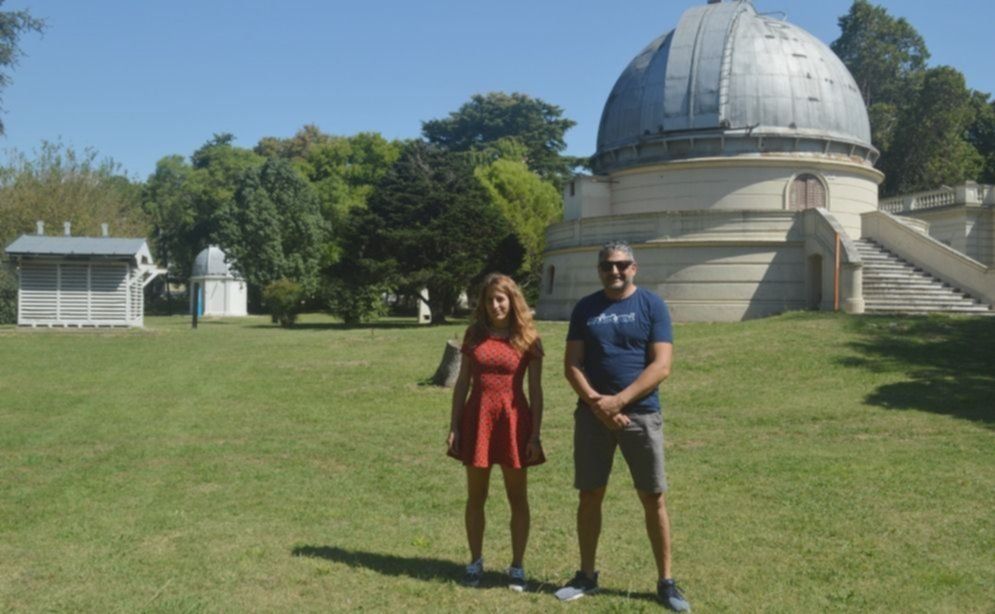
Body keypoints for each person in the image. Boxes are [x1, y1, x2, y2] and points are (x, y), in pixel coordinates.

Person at [554, 241, 691, 611]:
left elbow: (661, 365)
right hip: (592, 416)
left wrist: (618, 401)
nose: (614, 271)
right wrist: (598, 404)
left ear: (634, 267)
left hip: (641, 415)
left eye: (621, 264)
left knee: (653, 496)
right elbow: (572, 364)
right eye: (607, 266)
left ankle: (666, 583)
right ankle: (586, 575)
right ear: (599, 270)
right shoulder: (585, 308)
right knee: (589, 494)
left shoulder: (652, 305)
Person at [447, 273, 545, 591]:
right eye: (489, 299)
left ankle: (517, 566)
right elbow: (462, 383)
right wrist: (454, 425)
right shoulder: (474, 334)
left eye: (500, 299)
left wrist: (535, 435)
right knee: (476, 497)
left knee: (518, 498)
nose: (495, 305)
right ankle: (475, 562)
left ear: (512, 300)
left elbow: (536, 391)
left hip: (514, 422)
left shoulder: (528, 337)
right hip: (477, 421)